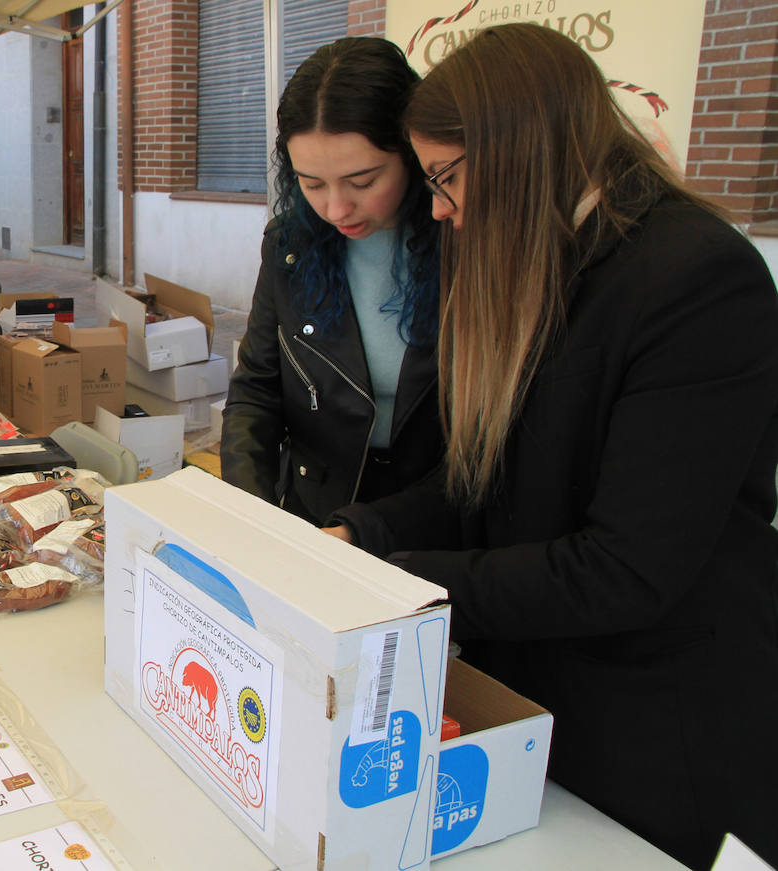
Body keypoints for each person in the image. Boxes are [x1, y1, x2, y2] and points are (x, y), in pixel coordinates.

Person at [324, 23, 778, 870]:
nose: (438, 210)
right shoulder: (528, 253)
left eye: (447, 179)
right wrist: (361, 538)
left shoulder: (698, 279)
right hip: (535, 692)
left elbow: (626, 567)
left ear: (522, 149)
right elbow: (482, 482)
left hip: (656, 728)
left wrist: (402, 582)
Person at [221, 38, 442, 525]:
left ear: (412, 152)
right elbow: (256, 390)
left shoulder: (463, 236)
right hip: (319, 506)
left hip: (435, 515)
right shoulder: (292, 244)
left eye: (363, 182)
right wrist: (249, 515)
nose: (336, 209)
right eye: (311, 183)